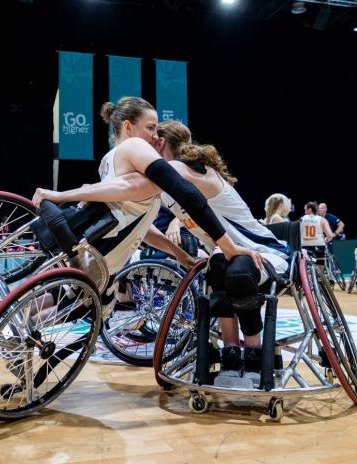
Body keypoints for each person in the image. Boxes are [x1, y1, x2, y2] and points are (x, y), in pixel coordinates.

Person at [37, 117, 289, 380]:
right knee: (219, 266)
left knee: (234, 269)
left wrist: (63, 195)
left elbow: (130, 187)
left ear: (160, 143)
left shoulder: (187, 170)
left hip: (263, 250)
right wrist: (181, 255)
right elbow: (146, 231)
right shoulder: (165, 190)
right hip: (226, 254)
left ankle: (254, 352)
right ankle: (231, 352)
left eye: (150, 139)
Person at [32, 96, 261, 274]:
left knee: (63, 305)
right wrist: (228, 246)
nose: (155, 135)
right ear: (128, 127)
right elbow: (185, 192)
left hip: (102, 251)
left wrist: (179, 255)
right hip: (104, 252)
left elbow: (141, 226)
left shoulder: (106, 161)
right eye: (151, 127)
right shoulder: (134, 146)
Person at [300, 202, 334, 268]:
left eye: (306, 210)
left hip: (305, 246)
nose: (305, 212)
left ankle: (308, 274)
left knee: (305, 264)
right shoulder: (322, 220)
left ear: (310, 209)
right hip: (319, 245)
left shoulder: (301, 219)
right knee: (320, 264)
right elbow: (330, 235)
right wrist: (326, 241)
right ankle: (319, 275)